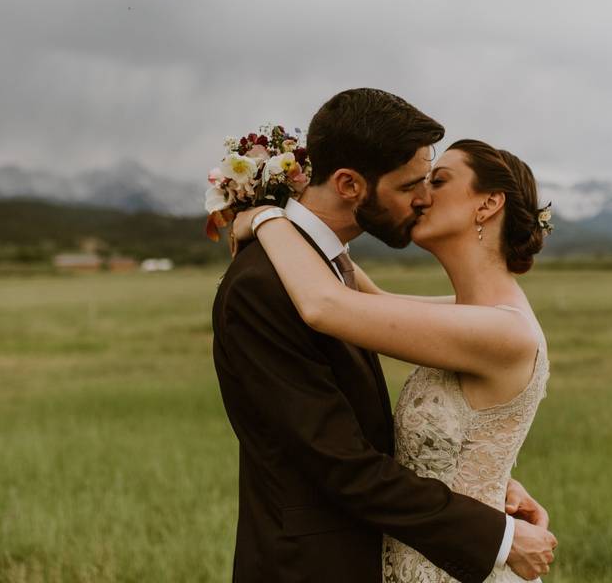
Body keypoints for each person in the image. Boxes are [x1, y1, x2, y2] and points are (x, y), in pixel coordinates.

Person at [212, 88, 556, 582]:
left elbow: (332, 305)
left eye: (436, 181)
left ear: (488, 205)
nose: (424, 197)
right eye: (416, 182)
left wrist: (268, 216)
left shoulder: (495, 325)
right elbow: (337, 457)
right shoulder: (267, 285)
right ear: (351, 184)